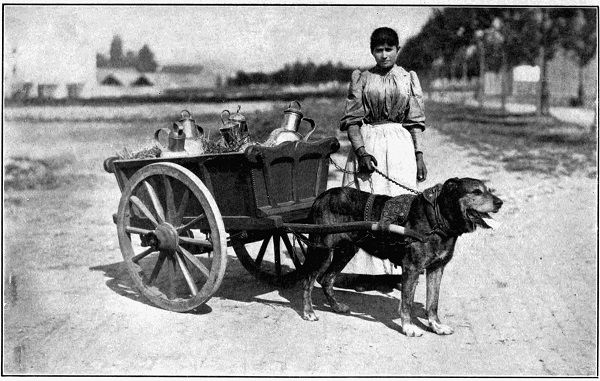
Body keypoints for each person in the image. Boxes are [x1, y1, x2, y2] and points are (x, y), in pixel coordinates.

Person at [339, 27, 427, 292]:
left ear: (397, 50)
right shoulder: (362, 79)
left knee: (400, 206)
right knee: (366, 205)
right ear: (372, 51)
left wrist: (419, 155)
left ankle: (399, 271)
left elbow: (415, 123)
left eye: (389, 49)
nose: (384, 54)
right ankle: (366, 273)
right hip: (370, 143)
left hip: (400, 147)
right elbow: (352, 121)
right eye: (379, 49)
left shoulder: (407, 78)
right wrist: (362, 151)